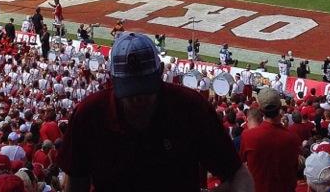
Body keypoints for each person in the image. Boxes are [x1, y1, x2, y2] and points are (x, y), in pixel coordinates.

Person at [58, 32, 254, 191]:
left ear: (161, 72)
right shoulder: (88, 115)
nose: (137, 99)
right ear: (112, 79)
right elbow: (75, 184)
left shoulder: (191, 107)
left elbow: (237, 174)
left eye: (145, 89)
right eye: (130, 91)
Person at [240, 87, 300, 191]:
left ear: (260, 109)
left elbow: (240, 165)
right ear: (280, 107)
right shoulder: (293, 138)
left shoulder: (248, 136)